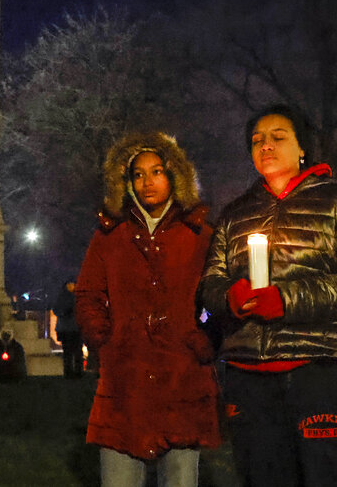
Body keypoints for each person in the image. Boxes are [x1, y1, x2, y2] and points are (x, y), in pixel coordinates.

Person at [197, 104, 337, 487]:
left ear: (302, 148)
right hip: (249, 376)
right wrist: (229, 296)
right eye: (256, 140)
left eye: (278, 137)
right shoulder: (236, 214)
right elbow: (210, 283)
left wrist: (286, 299)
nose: (265, 145)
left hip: (319, 369)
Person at [76, 132, 220, 487]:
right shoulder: (109, 236)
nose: (147, 182)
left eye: (156, 171)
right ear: (125, 182)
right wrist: (106, 340)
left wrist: (203, 336)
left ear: (174, 176)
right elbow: (89, 293)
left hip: (181, 378)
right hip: (126, 382)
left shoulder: (200, 235)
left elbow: (218, 298)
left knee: (181, 478)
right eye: (137, 174)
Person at [51, 278, 83, 378]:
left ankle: (78, 372)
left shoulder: (78, 297)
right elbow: (56, 309)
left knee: (77, 352)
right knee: (68, 353)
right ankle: (68, 372)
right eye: (70, 284)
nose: (71, 286)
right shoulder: (62, 297)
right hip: (66, 328)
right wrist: (64, 312)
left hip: (75, 328)